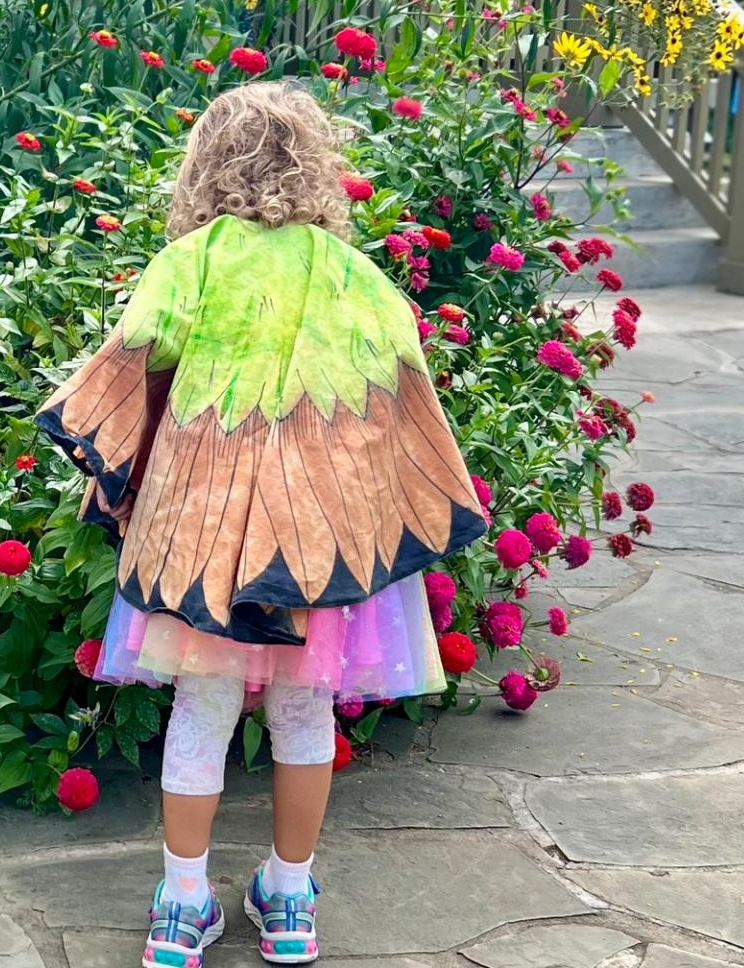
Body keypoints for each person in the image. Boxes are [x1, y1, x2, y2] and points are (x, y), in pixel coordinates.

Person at [37, 80, 488, 966]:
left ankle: (181, 903)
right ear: (315, 168)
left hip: (204, 536)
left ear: (206, 169)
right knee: (304, 712)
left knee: (201, 711)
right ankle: (287, 901)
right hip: (313, 542)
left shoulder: (194, 260)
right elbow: (402, 354)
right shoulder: (347, 271)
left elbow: (137, 348)